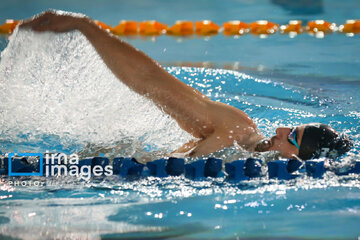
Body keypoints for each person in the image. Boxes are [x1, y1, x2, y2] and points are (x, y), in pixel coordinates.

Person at [19, 10, 353, 160]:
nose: (279, 128)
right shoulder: (234, 129)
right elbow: (151, 81)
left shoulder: (253, 164)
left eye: (291, 136)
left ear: (299, 157)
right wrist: (86, 27)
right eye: (289, 127)